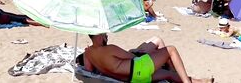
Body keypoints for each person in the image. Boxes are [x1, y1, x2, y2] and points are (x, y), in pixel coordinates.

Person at [83, 34, 213, 83]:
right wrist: (135, 52)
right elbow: (133, 57)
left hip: (131, 79)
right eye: (105, 35)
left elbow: (89, 69)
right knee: (171, 50)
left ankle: (201, 81)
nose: (107, 36)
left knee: (169, 75)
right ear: (99, 36)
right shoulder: (110, 48)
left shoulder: (87, 52)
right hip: (139, 69)